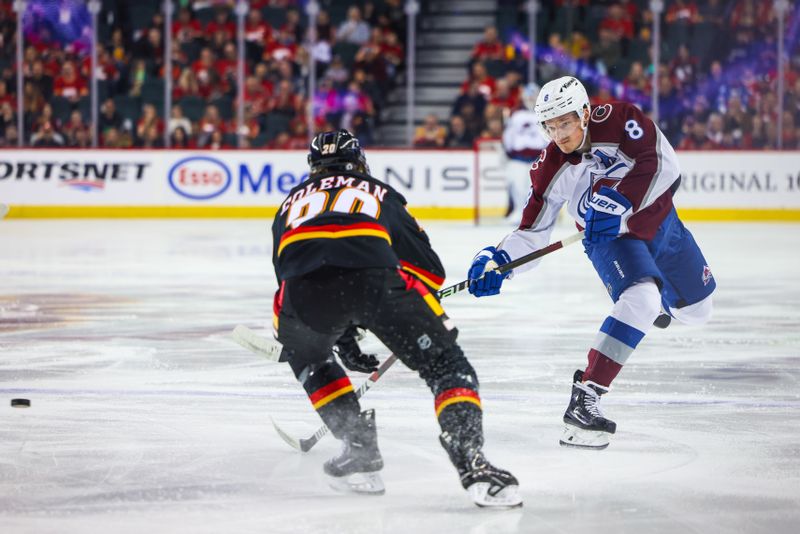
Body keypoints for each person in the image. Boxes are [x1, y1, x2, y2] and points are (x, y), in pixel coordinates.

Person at [271, 129, 521, 507]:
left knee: (308, 355)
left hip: (302, 296)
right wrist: (409, 316)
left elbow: (292, 272)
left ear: (312, 168)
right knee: (446, 366)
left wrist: (341, 336)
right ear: (360, 163)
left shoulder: (289, 203)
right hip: (375, 282)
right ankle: (473, 462)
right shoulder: (377, 191)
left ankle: (358, 447)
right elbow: (428, 270)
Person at [467, 76, 716, 450]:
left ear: (584, 113)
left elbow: (664, 165)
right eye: (549, 126)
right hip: (612, 242)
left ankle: (654, 306)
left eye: (564, 122)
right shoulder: (551, 166)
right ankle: (586, 397)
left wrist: (622, 201)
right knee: (642, 300)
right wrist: (499, 259)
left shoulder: (621, 122)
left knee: (698, 312)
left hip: (663, 225)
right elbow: (532, 233)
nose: (559, 134)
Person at [502, 83, 550, 220]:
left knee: (537, 188)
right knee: (517, 186)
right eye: (529, 96)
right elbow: (509, 135)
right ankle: (518, 211)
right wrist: (510, 152)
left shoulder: (544, 115)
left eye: (534, 96)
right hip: (518, 158)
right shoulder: (516, 115)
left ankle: (537, 214)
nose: (531, 99)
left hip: (538, 158)